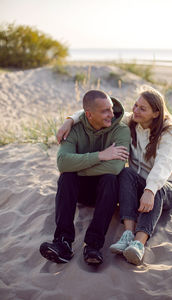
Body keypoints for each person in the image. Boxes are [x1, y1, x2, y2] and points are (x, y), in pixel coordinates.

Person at [57, 86, 172, 266]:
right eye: (135, 105)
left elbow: (163, 165)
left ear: (156, 113)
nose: (135, 110)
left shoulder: (168, 131)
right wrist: (70, 120)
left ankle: (138, 243)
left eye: (142, 108)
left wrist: (150, 189)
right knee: (125, 173)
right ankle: (127, 234)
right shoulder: (132, 121)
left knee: (157, 189)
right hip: (140, 182)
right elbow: (97, 111)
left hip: (168, 185)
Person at [40, 90, 130, 265]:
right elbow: (62, 162)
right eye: (105, 111)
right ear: (89, 115)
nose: (111, 114)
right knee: (67, 178)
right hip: (79, 190)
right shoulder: (73, 129)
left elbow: (115, 166)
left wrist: (75, 167)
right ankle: (63, 243)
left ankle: (93, 245)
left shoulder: (121, 130)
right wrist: (100, 155)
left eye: (111, 109)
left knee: (110, 179)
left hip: (106, 194)